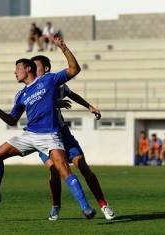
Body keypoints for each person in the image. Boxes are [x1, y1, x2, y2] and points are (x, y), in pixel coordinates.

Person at [0, 33, 96, 219]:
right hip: (30, 135)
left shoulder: (48, 80)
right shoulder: (21, 95)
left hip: (50, 135)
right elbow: (12, 120)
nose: (15, 72)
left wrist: (63, 47)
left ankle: (85, 207)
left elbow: (74, 69)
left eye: (18, 68)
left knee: (63, 170)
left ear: (28, 68)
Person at [30, 55, 115, 221]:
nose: (33, 71)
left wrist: (89, 106)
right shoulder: (32, 88)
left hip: (63, 134)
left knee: (82, 165)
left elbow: (71, 94)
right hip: (44, 136)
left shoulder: (56, 83)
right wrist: (56, 103)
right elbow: (35, 106)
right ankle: (56, 205)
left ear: (46, 69)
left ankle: (103, 204)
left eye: (36, 67)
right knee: (55, 171)